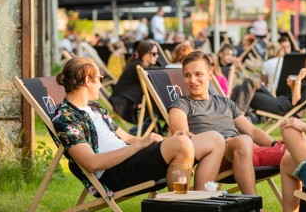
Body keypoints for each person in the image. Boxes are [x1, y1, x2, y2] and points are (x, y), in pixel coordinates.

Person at [52, 57, 225, 194]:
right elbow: (92, 163)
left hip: (133, 160)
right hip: (114, 173)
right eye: (99, 78)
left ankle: (202, 199)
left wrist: (153, 142)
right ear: (88, 80)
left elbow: (127, 138)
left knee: (214, 139)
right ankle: (179, 206)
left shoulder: (94, 108)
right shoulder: (66, 119)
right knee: (182, 143)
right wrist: (141, 146)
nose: (101, 83)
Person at [168, 51, 278, 197]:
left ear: (210, 76)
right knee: (243, 140)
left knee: (296, 147)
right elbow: (183, 137)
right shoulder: (181, 104)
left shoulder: (225, 102)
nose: (192, 80)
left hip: (241, 151)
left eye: (198, 74)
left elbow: (251, 130)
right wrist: (219, 142)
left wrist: (275, 144)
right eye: (187, 75)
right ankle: (255, 206)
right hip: (213, 157)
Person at [230, 53, 306, 116]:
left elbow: (295, 102)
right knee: (247, 83)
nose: (304, 66)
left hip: (282, 107)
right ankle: (231, 116)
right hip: (279, 100)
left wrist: (298, 79)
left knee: (243, 88)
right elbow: (296, 97)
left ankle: (238, 118)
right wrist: (292, 86)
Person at [109, 40, 159, 124]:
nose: (156, 56)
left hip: (127, 98)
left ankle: (150, 125)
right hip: (122, 101)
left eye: (157, 54)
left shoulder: (140, 64)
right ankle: (148, 125)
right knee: (152, 97)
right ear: (145, 54)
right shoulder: (137, 66)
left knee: (152, 96)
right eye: (154, 54)